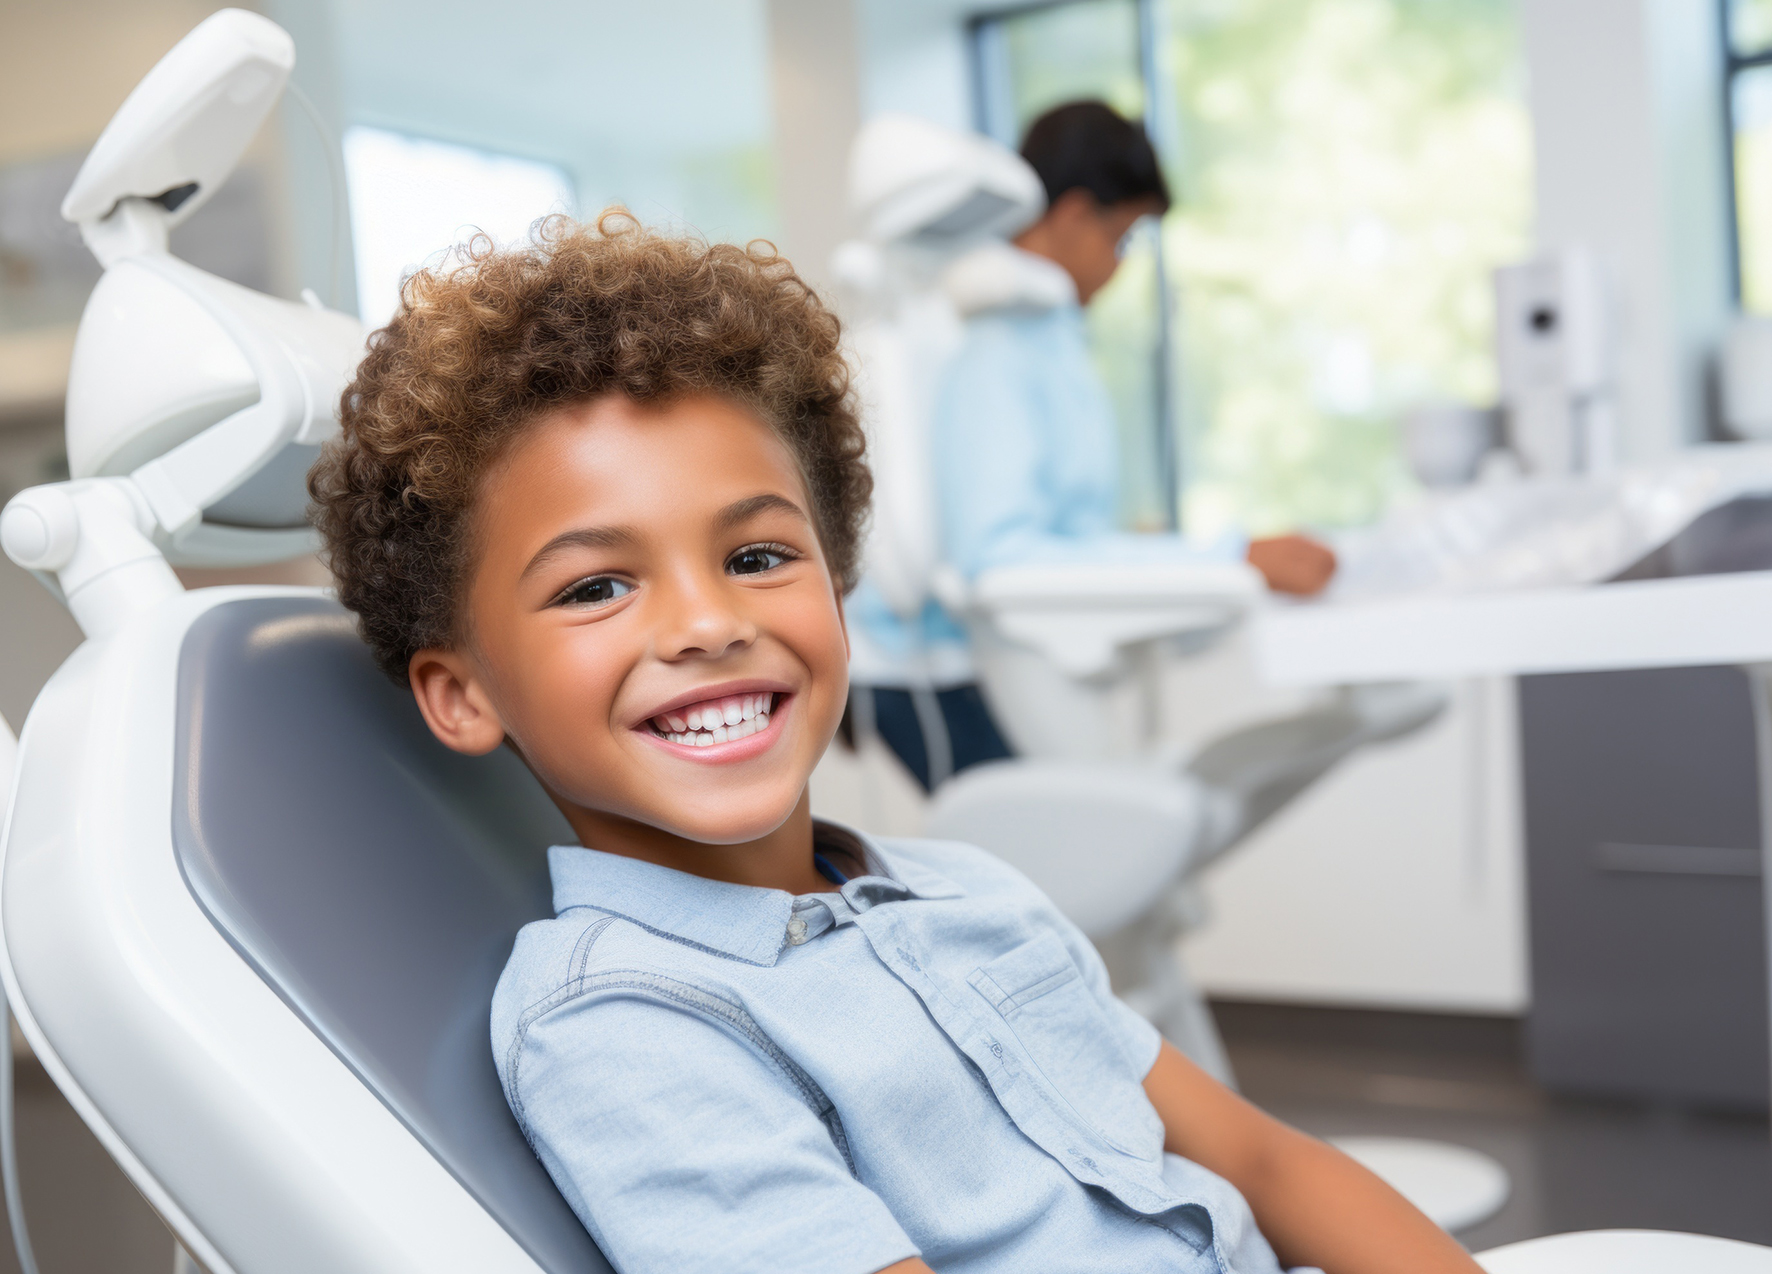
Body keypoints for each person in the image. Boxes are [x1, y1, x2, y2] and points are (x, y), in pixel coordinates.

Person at [309, 213, 1480, 1274]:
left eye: (758, 555)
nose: (710, 621)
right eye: (597, 585)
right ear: (461, 693)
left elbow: (1263, 1163)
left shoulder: (967, 891)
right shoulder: (624, 1023)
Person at [848, 102, 1334, 787]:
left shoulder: (1042, 337)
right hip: (938, 667)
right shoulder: (996, 349)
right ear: (1075, 215)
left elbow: (1054, 532)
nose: (1121, 265)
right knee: (1083, 863)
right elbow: (1000, 556)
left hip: (977, 653)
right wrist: (1231, 557)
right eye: (1124, 238)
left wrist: (1164, 557)